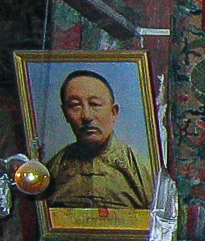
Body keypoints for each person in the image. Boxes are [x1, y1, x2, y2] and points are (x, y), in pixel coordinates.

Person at [46, 69, 154, 209]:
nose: (87, 116)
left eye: (95, 104)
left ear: (114, 112)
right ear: (65, 114)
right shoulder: (54, 169)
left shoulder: (141, 170)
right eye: (75, 106)